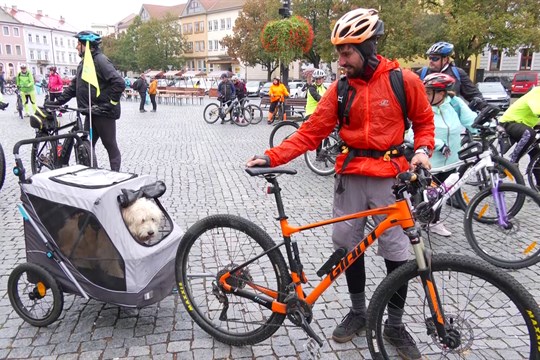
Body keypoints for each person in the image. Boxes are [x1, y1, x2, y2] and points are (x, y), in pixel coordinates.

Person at [247, 8, 434, 359]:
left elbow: (424, 122)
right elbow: (310, 132)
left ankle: (394, 324)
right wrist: (272, 157)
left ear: (368, 48)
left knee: (397, 255)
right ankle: (359, 311)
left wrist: (422, 151)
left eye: (346, 52)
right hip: (349, 177)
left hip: (389, 179)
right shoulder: (341, 88)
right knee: (348, 249)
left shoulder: (402, 81)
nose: (341, 60)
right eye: (338, 53)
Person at [406, 73, 477, 236]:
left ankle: (434, 222)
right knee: (423, 194)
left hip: (451, 161)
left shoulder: (456, 105)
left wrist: (489, 126)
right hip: (431, 163)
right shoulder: (424, 107)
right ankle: (411, 220)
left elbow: (471, 121)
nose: (426, 95)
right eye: (426, 91)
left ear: (442, 93)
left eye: (430, 92)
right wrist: (438, 144)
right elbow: (411, 134)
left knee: (442, 194)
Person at [47, 30, 125, 172]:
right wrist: (57, 102)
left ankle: (116, 177)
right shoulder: (84, 63)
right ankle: (91, 174)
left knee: (110, 145)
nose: (76, 47)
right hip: (90, 112)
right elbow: (73, 87)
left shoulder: (100, 60)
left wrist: (110, 104)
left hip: (103, 113)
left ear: (87, 45)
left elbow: (119, 82)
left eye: (79, 44)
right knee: (86, 145)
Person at [499, 86, 540, 189]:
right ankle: (512, 163)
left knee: (537, 155)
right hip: (510, 122)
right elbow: (537, 111)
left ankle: (539, 185)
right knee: (529, 134)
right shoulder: (536, 92)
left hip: (524, 125)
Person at [418, 41, 483, 103]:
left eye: (435, 58)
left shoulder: (457, 73)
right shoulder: (422, 73)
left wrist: (484, 106)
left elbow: (473, 94)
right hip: (428, 112)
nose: (431, 61)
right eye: (430, 58)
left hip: (451, 112)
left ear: (445, 59)